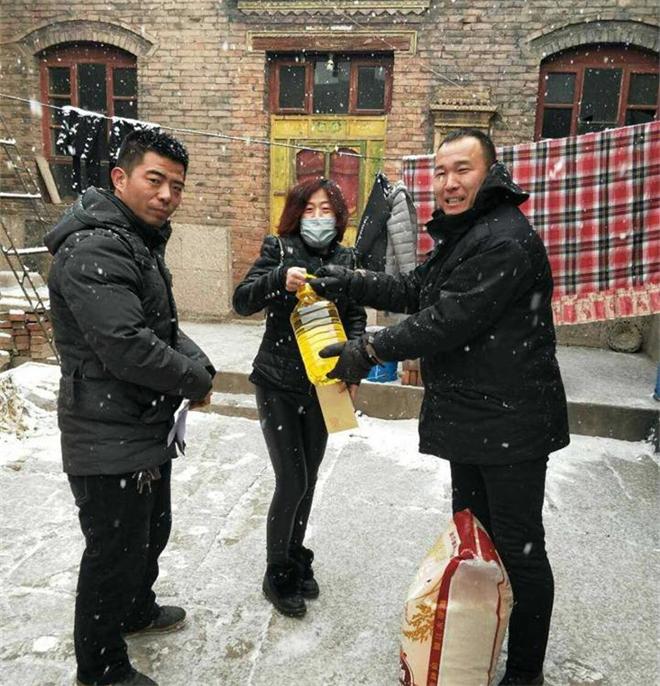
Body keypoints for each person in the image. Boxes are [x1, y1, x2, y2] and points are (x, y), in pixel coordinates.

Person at [309, 129, 570, 686]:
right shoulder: (468, 231)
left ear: (490, 173)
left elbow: (447, 320)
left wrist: (368, 350)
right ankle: (476, 637)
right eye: (441, 171)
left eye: (462, 170)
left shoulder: (503, 239)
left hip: (512, 422)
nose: (449, 183)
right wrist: (350, 282)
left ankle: (525, 673)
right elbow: (415, 290)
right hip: (476, 418)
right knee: (474, 539)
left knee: (519, 549)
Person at [45, 129, 215, 686]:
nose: (167, 195)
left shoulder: (135, 241)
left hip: (141, 423)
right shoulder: (95, 246)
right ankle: (101, 668)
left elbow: (158, 326)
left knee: (151, 531)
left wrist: (198, 363)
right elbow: (125, 344)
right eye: (155, 180)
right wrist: (192, 379)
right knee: (113, 552)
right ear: (120, 178)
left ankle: (136, 608)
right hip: (104, 431)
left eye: (177, 186)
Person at [232, 178, 366, 618]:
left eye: (326, 210)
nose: (318, 218)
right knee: (291, 479)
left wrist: (353, 367)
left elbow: (355, 316)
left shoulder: (346, 259)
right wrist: (277, 280)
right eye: (309, 210)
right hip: (277, 385)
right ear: (295, 214)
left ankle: (294, 553)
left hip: (324, 386)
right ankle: (277, 571)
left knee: (308, 478)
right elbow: (241, 301)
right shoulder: (279, 249)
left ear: (339, 217)